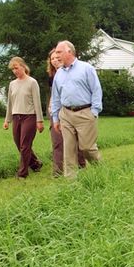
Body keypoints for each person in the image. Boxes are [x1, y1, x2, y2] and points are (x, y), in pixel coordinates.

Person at [50, 40, 103, 177]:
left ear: (69, 52)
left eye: (59, 52)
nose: (56, 56)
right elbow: (56, 98)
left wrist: (94, 111)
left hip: (85, 113)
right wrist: (56, 119)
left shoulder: (86, 68)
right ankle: (71, 183)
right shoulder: (59, 74)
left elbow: (96, 90)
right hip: (66, 114)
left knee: (87, 148)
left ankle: (102, 170)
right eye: (55, 52)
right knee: (69, 150)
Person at [46, 49, 86, 178]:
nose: (55, 60)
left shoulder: (73, 72)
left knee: (76, 141)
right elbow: (54, 96)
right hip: (56, 113)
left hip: (72, 111)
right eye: (52, 59)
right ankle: (58, 171)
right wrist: (51, 108)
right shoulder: (52, 77)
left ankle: (81, 166)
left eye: (58, 58)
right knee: (57, 142)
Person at [3, 56, 44, 178]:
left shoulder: (32, 82)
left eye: (16, 68)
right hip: (16, 117)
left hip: (29, 116)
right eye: (12, 69)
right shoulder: (12, 84)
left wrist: (39, 120)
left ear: (23, 66)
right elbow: (10, 103)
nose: (15, 71)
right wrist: (7, 120)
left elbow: (37, 102)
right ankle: (36, 164)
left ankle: (22, 173)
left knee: (25, 145)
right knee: (18, 143)